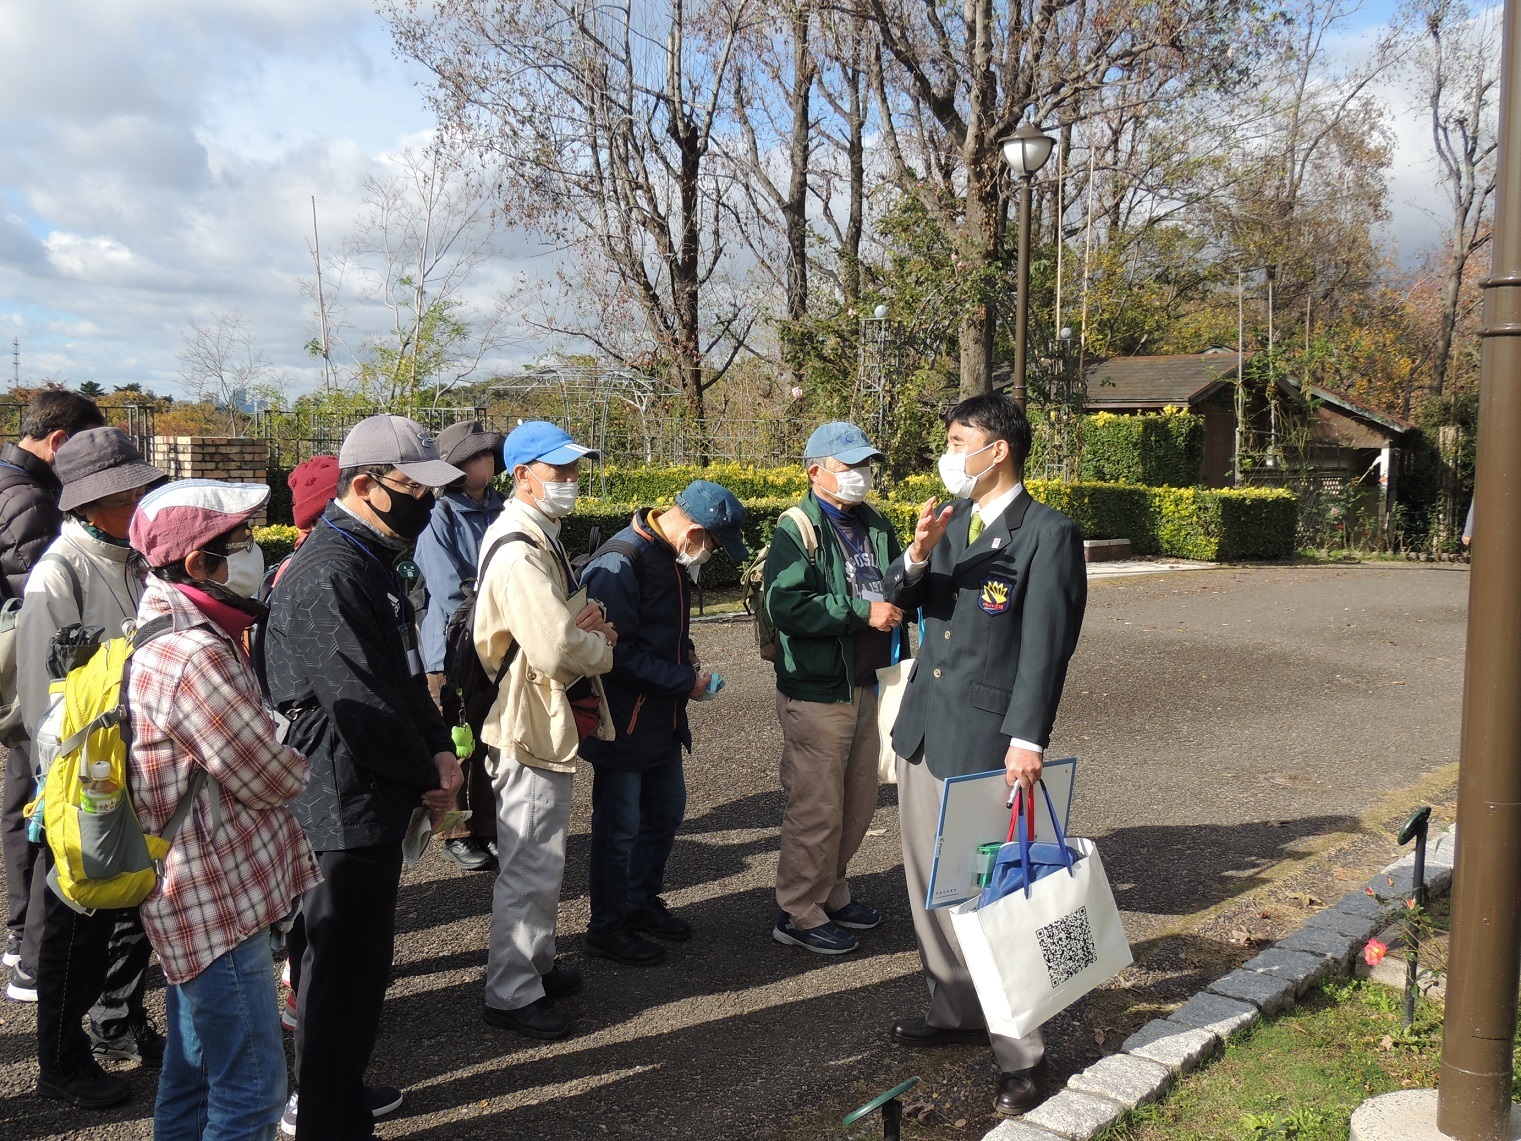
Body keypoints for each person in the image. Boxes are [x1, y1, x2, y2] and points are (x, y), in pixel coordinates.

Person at [881, 393, 1087, 1117]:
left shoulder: (1046, 533)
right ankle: (953, 1011)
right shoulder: (951, 522)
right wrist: (913, 551)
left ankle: (1020, 1053)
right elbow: (893, 604)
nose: (947, 451)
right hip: (923, 732)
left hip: (988, 743)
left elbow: (1046, 646)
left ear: (996, 447)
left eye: (956, 438)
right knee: (929, 893)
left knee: (989, 899)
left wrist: (1027, 738)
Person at [263, 415, 465, 1140]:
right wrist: (428, 772)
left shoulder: (370, 557)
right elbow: (360, 702)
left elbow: (404, 678)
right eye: (415, 489)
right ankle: (324, 1113)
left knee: (359, 968)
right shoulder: (328, 571)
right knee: (337, 970)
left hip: (367, 792)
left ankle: (340, 1089)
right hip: (334, 803)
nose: (428, 504)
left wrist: (440, 749)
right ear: (363, 486)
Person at [126, 480, 321, 1141]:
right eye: (235, 542)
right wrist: (292, 743)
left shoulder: (166, 626)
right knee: (252, 1089)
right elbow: (271, 775)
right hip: (213, 898)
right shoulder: (193, 653)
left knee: (193, 1069)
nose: (250, 552)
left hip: (193, 889)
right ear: (194, 563)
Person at [20, 427, 167, 1107]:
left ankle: (120, 1021)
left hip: (131, 763)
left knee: (128, 910)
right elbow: (42, 699)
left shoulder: (130, 556)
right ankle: (60, 1059)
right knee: (73, 922)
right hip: (86, 776)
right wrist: (71, 793)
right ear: (89, 500)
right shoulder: (61, 570)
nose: (139, 496)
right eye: (126, 488)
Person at [475, 421, 616, 1041]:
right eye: (556, 471)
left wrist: (577, 628)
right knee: (530, 859)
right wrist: (599, 644)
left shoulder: (537, 535)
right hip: (525, 720)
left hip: (536, 714)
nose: (569, 481)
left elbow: (561, 627)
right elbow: (560, 648)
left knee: (541, 854)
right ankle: (512, 991)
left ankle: (534, 964)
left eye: (573, 470)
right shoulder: (520, 548)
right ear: (521, 475)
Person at [579, 480, 748, 965]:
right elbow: (615, 653)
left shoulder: (668, 552)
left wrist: (687, 657)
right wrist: (684, 681)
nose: (709, 555)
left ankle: (639, 901)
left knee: (665, 813)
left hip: (661, 717)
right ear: (693, 531)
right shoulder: (621, 560)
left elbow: (663, 630)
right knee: (619, 829)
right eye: (712, 545)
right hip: (623, 721)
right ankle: (606, 927)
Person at [763, 422, 903, 955]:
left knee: (858, 802)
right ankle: (798, 911)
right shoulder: (796, 527)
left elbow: (896, 584)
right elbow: (786, 605)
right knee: (816, 806)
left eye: (865, 465)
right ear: (815, 470)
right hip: (818, 690)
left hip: (867, 682)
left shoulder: (874, 524)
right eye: (848, 467)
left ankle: (832, 891)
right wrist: (859, 613)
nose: (860, 476)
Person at [0, 390, 103, 994]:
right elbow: (55, 613)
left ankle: (22, 935)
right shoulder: (33, 501)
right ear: (60, 442)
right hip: (31, 675)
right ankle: (30, 942)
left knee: (21, 798)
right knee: (35, 797)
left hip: (11, 672)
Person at [415, 420, 505, 873]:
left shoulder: (503, 508)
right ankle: (455, 832)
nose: (486, 463)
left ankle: (487, 828)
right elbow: (448, 590)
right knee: (457, 744)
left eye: (489, 454)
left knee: (493, 742)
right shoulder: (439, 516)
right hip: (449, 651)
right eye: (475, 456)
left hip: (497, 646)